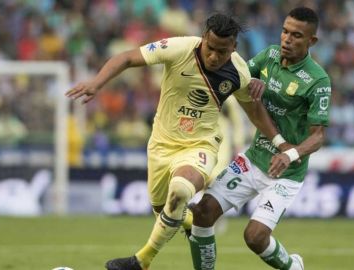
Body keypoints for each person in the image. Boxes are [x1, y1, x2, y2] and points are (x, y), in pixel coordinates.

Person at [66, 13, 285, 270]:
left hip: (200, 145)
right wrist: (97, 82)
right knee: (164, 210)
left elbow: (255, 112)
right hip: (161, 144)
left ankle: (141, 260)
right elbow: (126, 58)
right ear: (203, 38)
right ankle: (198, 225)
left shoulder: (238, 71)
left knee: (181, 190)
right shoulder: (179, 48)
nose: (214, 56)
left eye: (222, 52)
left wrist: (281, 142)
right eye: (210, 48)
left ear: (233, 48)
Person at [188, 7, 331, 270]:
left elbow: (318, 137)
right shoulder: (269, 56)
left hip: (285, 172)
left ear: (311, 41)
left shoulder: (318, 80)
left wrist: (290, 154)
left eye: (296, 35)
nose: (287, 39)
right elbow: (238, 76)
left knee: (254, 237)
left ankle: (292, 267)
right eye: (285, 31)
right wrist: (250, 82)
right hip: (253, 159)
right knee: (203, 213)